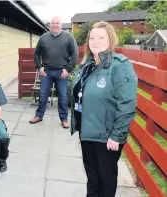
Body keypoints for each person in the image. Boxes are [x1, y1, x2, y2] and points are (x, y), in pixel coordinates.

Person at [70, 21, 138, 197]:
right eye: (92, 37)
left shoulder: (119, 65)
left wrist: (117, 135)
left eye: (101, 37)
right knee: (92, 179)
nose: (95, 41)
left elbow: (127, 103)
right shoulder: (88, 65)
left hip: (106, 136)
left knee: (106, 180)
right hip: (86, 132)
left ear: (110, 40)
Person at [29, 16, 78, 129]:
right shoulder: (44, 38)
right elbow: (36, 54)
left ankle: (64, 119)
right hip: (47, 72)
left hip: (62, 72)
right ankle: (39, 115)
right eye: (53, 23)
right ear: (49, 25)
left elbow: (75, 54)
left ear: (61, 25)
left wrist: (68, 70)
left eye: (57, 23)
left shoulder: (69, 37)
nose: (55, 25)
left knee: (63, 97)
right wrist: (40, 67)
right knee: (42, 95)